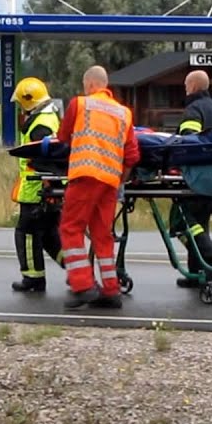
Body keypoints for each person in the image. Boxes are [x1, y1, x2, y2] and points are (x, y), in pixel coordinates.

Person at [55, 66, 141, 310]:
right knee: (102, 235)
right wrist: (120, 179)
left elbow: (63, 137)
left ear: (90, 84)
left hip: (85, 174)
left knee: (71, 228)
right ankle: (111, 290)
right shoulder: (124, 113)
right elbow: (132, 155)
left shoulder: (80, 104)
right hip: (110, 182)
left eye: (85, 86)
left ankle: (82, 286)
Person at [172, 69, 212, 289]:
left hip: (197, 176)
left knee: (181, 222)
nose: (185, 90)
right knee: (200, 224)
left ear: (194, 87)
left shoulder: (194, 109)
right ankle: (196, 273)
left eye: (187, 86)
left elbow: (188, 141)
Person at [9, 76, 64, 292]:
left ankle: (33, 278)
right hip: (49, 188)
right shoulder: (50, 118)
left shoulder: (39, 126)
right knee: (50, 236)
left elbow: (44, 159)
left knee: (27, 233)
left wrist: (47, 186)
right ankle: (78, 270)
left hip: (37, 190)